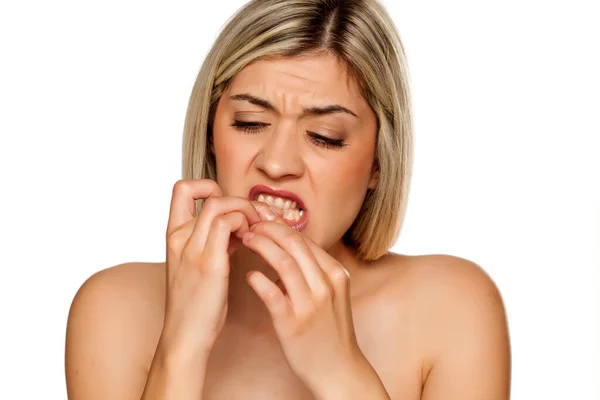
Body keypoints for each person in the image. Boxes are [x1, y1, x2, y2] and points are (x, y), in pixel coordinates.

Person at [65, 0, 511, 399]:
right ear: (211, 135)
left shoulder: (452, 309)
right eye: (250, 122)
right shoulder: (114, 309)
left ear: (379, 163)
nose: (277, 164)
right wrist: (180, 349)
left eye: (325, 137)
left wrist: (342, 375)